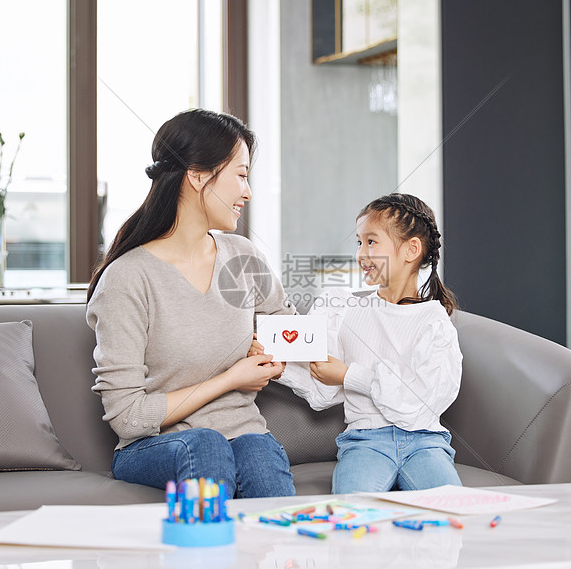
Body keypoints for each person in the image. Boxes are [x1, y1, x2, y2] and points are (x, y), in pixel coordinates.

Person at [86, 109, 296, 498]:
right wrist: (232, 378)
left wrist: (271, 351)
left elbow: (290, 329)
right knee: (206, 444)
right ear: (198, 175)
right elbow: (128, 419)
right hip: (153, 446)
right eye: (241, 175)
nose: (247, 192)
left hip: (243, 432)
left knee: (259, 452)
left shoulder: (242, 257)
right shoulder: (128, 278)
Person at [274, 193, 463, 494]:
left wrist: (349, 375)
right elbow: (324, 390)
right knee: (352, 513)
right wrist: (277, 363)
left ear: (411, 249)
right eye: (359, 243)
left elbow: (421, 399)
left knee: (453, 508)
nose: (361, 255)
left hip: (425, 442)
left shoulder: (433, 322)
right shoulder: (345, 310)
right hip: (365, 441)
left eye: (371, 242)